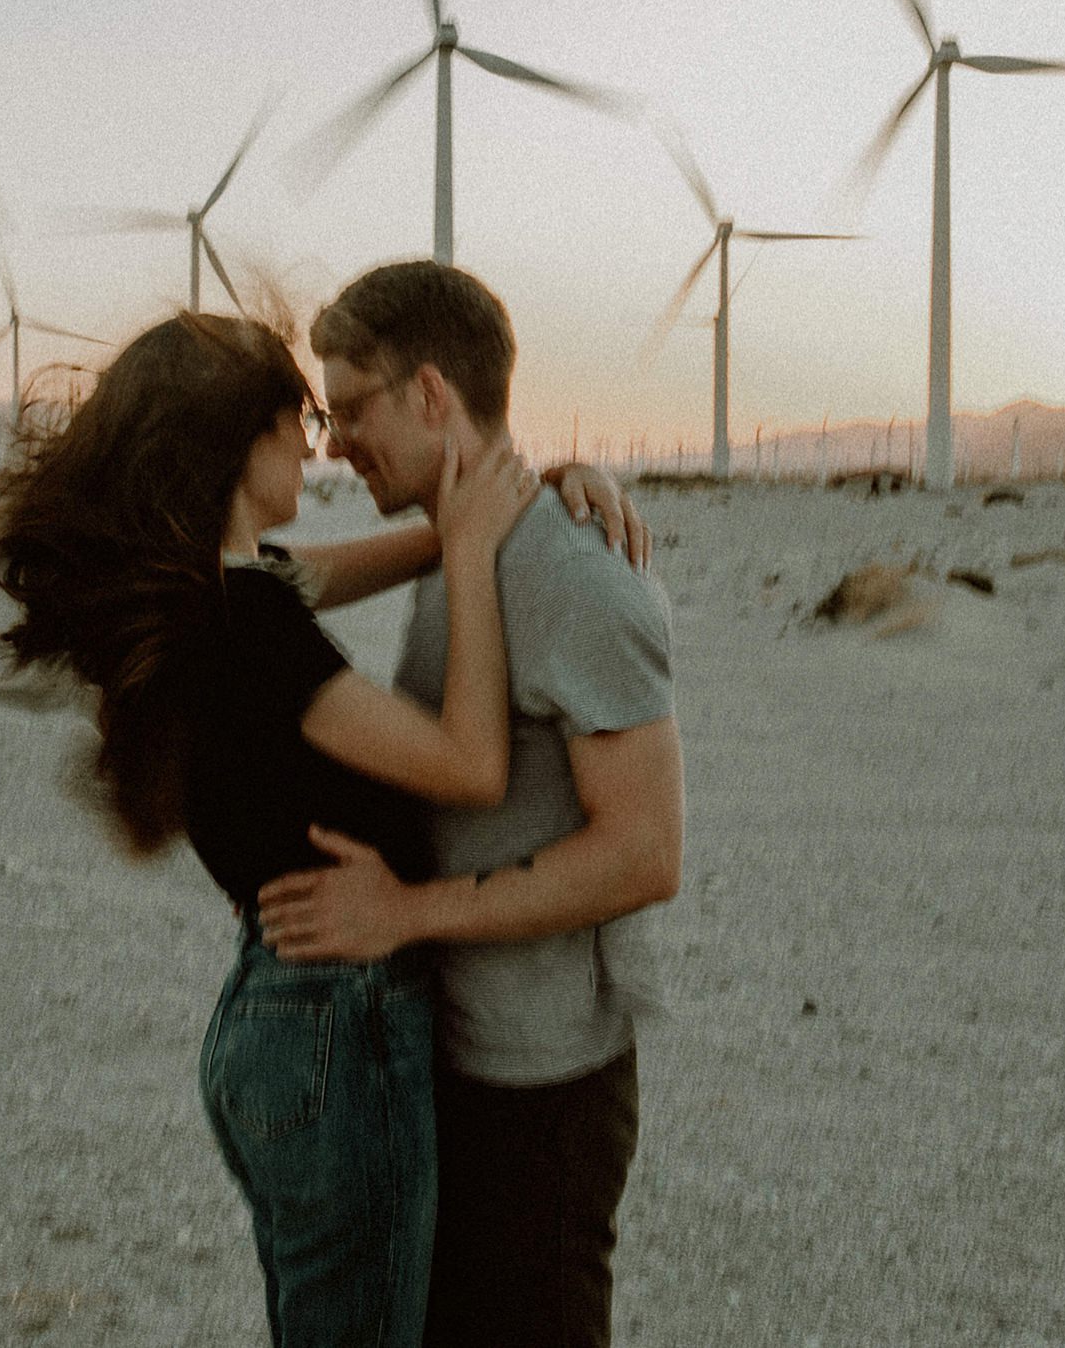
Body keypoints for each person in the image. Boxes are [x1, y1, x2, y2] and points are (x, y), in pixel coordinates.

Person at [0, 310, 644, 1348]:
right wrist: (472, 559)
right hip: (338, 1027)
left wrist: (527, 487)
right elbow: (472, 766)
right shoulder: (249, 625)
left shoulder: (220, 588)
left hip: (278, 1022)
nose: (317, 442)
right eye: (298, 418)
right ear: (236, 443)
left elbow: (398, 544)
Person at [258, 262, 685, 1348]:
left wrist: (406, 913)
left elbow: (643, 854)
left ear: (433, 395)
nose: (333, 444)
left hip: (542, 1085)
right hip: (456, 1058)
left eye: (352, 409)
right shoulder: (467, 549)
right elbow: (264, 583)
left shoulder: (576, 575)